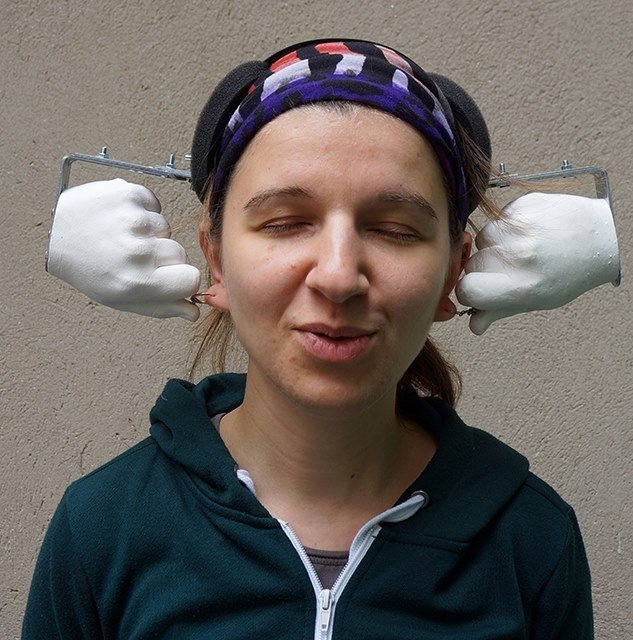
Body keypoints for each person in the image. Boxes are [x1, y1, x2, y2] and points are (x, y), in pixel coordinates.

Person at [25, 38, 598, 639]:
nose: (338, 276)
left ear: (453, 271)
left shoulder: (532, 540)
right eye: (285, 222)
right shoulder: (101, 529)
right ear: (215, 257)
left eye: (395, 229)